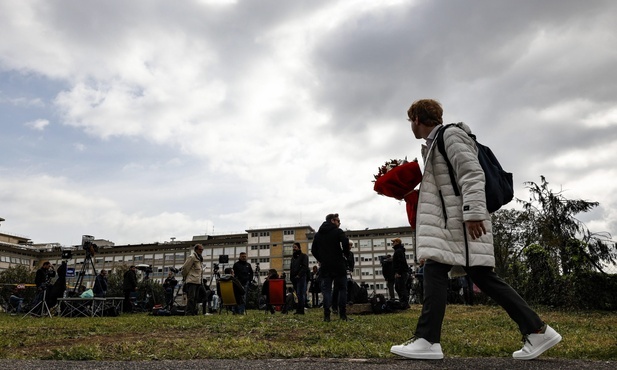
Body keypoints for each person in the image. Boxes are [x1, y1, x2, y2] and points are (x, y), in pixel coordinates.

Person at [390, 98, 562, 360]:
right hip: (454, 221)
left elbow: (472, 173)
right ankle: (537, 330)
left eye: (409, 121)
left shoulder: (451, 135)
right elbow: (445, 188)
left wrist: (473, 213)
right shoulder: (436, 143)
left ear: (416, 119)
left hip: (460, 222)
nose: (410, 126)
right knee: (480, 277)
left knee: (437, 270)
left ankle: (427, 340)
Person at [311, 213, 351, 322]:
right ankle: (342, 315)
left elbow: (313, 250)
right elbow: (345, 242)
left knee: (327, 291)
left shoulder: (318, 235)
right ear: (333, 220)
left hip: (325, 266)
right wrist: (345, 254)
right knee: (342, 289)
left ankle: (327, 316)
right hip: (338, 264)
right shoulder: (338, 231)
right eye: (338, 221)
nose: (339, 223)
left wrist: (321, 259)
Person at [182, 244, 205, 316]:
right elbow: (185, 268)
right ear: (196, 250)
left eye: (202, 250)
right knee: (191, 298)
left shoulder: (199, 258)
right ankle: (188, 312)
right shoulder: (192, 257)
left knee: (195, 298)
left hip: (197, 281)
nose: (201, 251)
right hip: (192, 280)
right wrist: (186, 277)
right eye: (199, 249)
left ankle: (192, 312)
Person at [290, 242, 309, 315]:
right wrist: (292, 277)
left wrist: (299, 275)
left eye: (295, 247)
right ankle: (298, 309)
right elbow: (291, 268)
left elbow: (305, 267)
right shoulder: (293, 258)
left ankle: (301, 310)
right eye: (293, 247)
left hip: (301, 278)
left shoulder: (304, 256)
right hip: (294, 278)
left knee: (301, 294)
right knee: (298, 294)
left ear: (299, 248)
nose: (294, 249)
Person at [392, 238, 410, 309]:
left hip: (401, 272)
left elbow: (400, 262)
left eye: (393, 242)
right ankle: (403, 302)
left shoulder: (398, 251)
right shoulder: (398, 250)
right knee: (398, 287)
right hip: (400, 272)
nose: (392, 243)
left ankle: (404, 303)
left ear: (397, 242)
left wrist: (398, 272)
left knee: (401, 287)